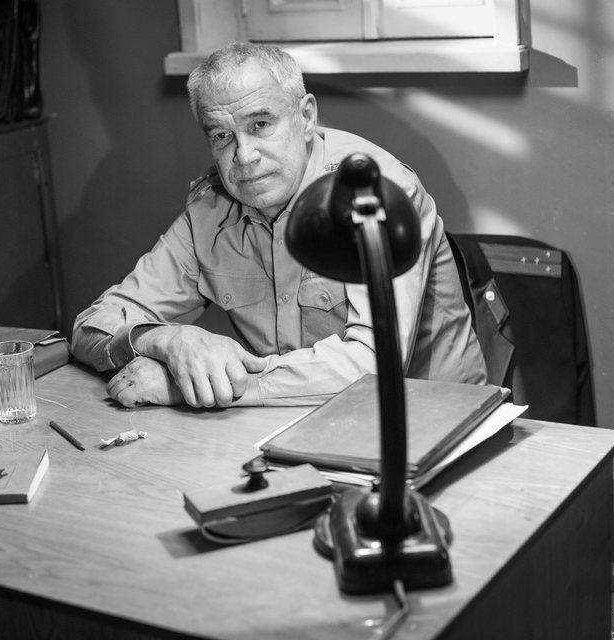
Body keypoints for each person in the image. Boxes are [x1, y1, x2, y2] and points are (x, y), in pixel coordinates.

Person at [71, 42, 486, 408]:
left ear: (306, 116)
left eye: (260, 125)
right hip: (290, 423)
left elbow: (372, 365)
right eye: (221, 136)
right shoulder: (211, 211)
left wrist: (199, 386)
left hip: (430, 417)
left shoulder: (373, 195)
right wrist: (162, 339)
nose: (244, 155)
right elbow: (92, 326)